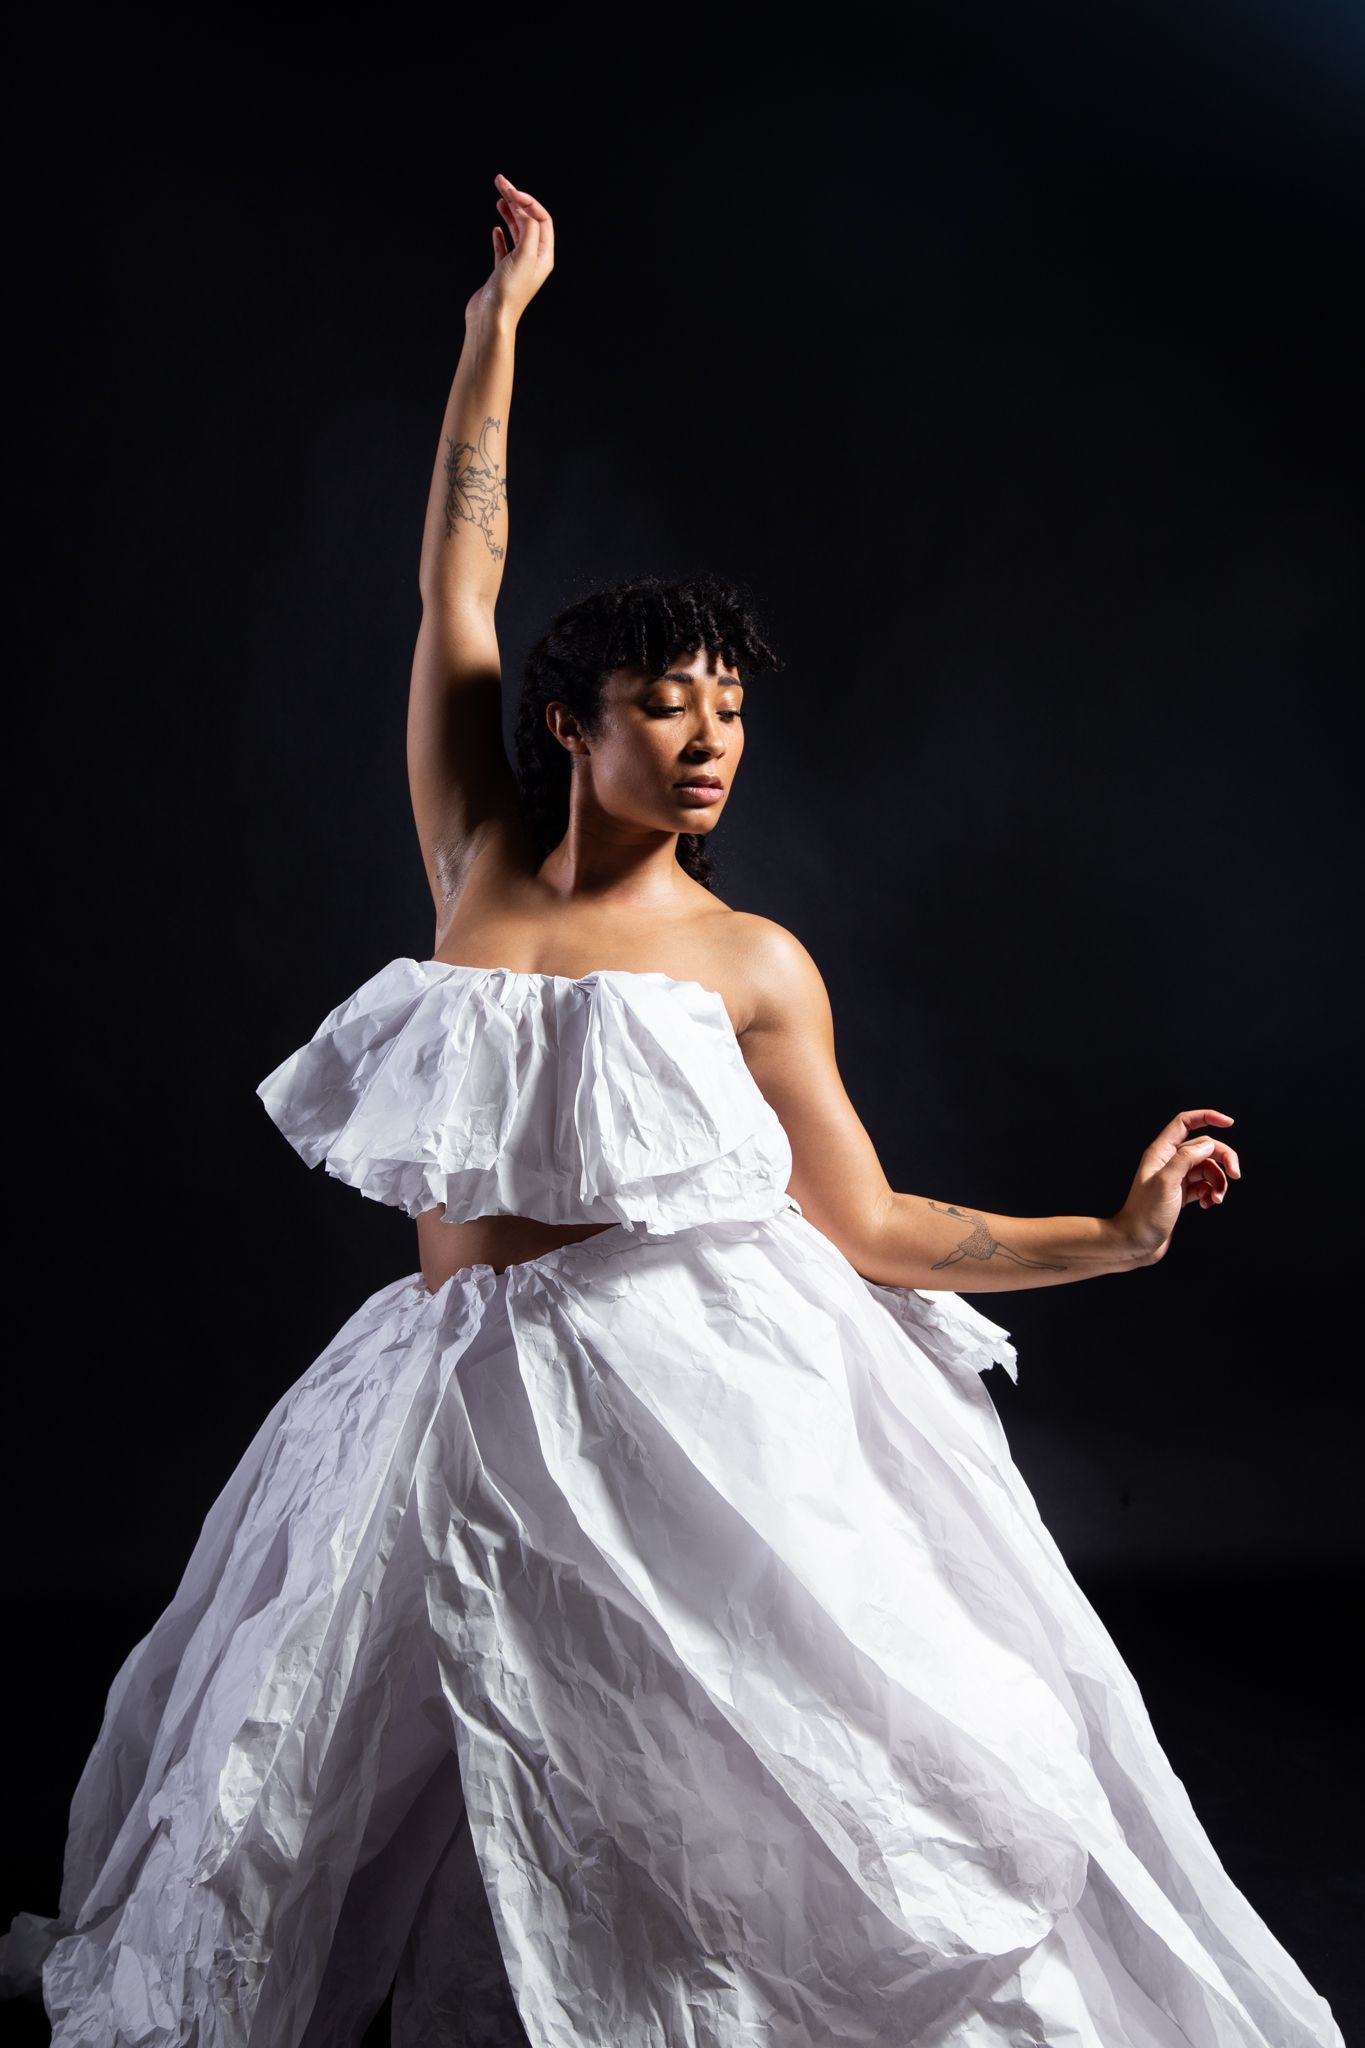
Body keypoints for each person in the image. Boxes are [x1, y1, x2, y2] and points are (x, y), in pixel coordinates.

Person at [0, 174, 1343, 2048]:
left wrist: (1116, 1235)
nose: (707, 738)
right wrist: (497, 330)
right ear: (572, 722)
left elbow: (871, 1230)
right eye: (663, 702)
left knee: (708, 1756)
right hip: (442, 1370)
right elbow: (454, 578)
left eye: (728, 710)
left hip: (677, 1376)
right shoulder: (471, 857)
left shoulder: (754, 961)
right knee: (356, 1746)